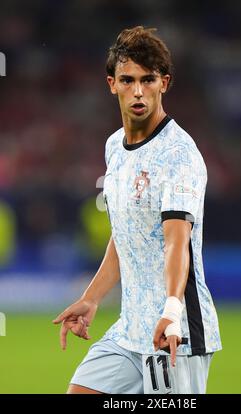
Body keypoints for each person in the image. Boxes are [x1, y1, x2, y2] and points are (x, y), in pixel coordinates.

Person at [53, 25, 222, 394]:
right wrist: (91, 297)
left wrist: (173, 310)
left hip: (174, 334)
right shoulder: (114, 147)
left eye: (148, 80)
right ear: (112, 83)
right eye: (128, 80)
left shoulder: (179, 155)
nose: (138, 91)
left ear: (165, 83)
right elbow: (127, 234)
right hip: (129, 332)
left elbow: (177, 241)